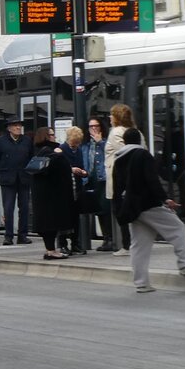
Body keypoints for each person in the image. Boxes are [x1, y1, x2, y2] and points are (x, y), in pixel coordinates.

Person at [112, 127, 185, 292]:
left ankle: (141, 283)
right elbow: (152, 180)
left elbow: (117, 188)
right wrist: (165, 199)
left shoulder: (118, 159)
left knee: (140, 246)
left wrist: (120, 210)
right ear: (140, 140)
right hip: (149, 204)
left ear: (124, 141)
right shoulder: (143, 155)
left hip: (133, 209)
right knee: (178, 229)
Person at [29, 127, 77, 261]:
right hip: (52, 194)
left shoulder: (37, 151)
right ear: (46, 136)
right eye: (51, 134)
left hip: (42, 195)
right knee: (51, 223)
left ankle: (50, 249)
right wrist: (59, 155)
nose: (54, 136)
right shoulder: (51, 152)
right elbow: (60, 168)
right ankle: (51, 251)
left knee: (46, 223)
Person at [0, 118, 33, 245]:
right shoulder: (1, 142)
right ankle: (8, 236)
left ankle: (22, 235)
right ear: (9, 128)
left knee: (24, 207)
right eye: (15, 125)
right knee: (8, 208)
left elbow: (31, 158)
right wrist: (2, 174)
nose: (18, 127)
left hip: (24, 178)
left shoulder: (26, 141)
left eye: (19, 125)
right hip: (7, 179)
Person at [105, 103, 140, 256]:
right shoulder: (135, 130)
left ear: (117, 117)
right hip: (131, 178)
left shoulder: (116, 132)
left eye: (111, 115)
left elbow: (125, 152)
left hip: (118, 178)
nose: (109, 118)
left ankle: (127, 246)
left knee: (120, 212)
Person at [58, 125, 88, 255]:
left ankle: (75, 242)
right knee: (64, 217)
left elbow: (81, 165)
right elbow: (58, 168)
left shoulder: (79, 150)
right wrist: (71, 169)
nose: (76, 146)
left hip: (77, 186)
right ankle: (62, 244)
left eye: (77, 144)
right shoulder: (61, 149)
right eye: (74, 143)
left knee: (76, 216)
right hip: (65, 188)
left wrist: (83, 172)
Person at [86, 117, 112, 250]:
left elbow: (110, 153)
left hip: (104, 178)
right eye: (91, 126)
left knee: (106, 208)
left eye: (96, 125)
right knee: (98, 210)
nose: (94, 128)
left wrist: (100, 142)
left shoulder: (106, 141)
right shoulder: (88, 143)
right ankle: (106, 238)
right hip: (93, 179)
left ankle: (110, 238)